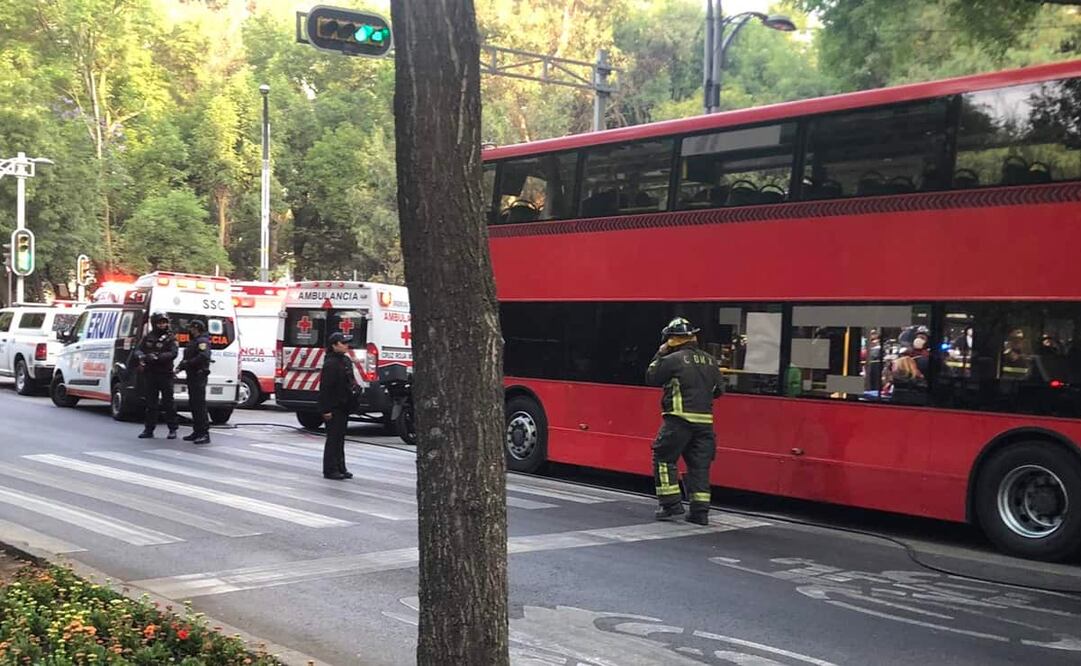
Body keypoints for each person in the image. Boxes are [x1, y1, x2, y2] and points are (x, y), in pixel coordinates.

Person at [645, 317, 725, 526]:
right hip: (705, 424)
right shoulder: (711, 361)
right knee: (699, 467)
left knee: (663, 458)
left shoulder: (673, 360)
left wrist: (661, 353)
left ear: (672, 339)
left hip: (679, 420)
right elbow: (719, 391)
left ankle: (670, 504)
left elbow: (651, 376)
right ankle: (700, 512)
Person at [318, 331, 356, 480]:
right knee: (333, 438)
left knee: (340, 438)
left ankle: (341, 467)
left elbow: (349, 380)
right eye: (343, 343)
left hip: (344, 404)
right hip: (333, 406)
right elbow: (325, 388)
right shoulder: (331, 363)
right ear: (334, 345)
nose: (347, 345)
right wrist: (325, 409)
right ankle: (330, 469)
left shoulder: (345, 360)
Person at [135, 312, 179, 440]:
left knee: (168, 403)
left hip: (165, 374)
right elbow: (138, 350)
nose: (162, 325)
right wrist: (143, 356)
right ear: (154, 323)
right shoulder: (148, 337)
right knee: (151, 404)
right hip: (150, 373)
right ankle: (149, 429)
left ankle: (172, 429)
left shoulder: (170, 338)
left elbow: (173, 353)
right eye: (160, 322)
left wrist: (158, 357)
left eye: (164, 322)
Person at [176, 318, 212, 444]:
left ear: (196, 328)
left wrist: (188, 363)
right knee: (194, 404)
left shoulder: (202, 341)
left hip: (198, 375)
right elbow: (187, 357)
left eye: (191, 328)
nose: (189, 330)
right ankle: (197, 431)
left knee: (199, 405)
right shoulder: (194, 341)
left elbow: (204, 356)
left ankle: (204, 433)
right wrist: (179, 368)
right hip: (192, 376)